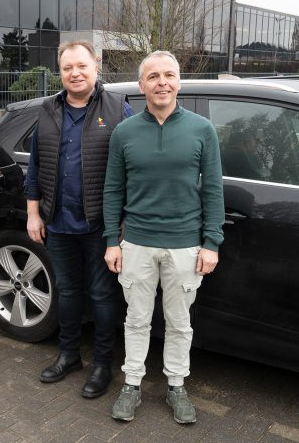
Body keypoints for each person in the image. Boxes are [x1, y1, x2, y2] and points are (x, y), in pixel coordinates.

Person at [103, 50, 224, 423]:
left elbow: (213, 190)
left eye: (168, 75)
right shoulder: (124, 132)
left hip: (186, 245)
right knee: (136, 320)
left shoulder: (202, 130)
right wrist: (111, 240)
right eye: (153, 76)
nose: (162, 82)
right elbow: (113, 190)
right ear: (142, 86)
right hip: (136, 242)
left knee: (179, 322)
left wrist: (211, 242)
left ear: (178, 82)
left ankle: (176, 386)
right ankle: (132, 384)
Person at [25, 40, 134, 399]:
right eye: (68, 67)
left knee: (103, 296)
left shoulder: (118, 109)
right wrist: (33, 213)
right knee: (68, 292)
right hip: (57, 222)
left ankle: (103, 364)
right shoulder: (47, 110)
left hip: (101, 227)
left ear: (96, 67)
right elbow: (36, 166)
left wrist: (121, 225)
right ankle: (69, 355)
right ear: (60, 71)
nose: (75, 73)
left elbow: (134, 169)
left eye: (81, 66)